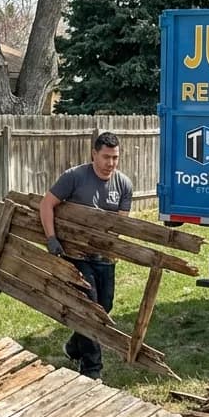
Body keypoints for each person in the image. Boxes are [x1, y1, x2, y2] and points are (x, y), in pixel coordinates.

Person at [39, 132, 133, 380]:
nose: (110, 163)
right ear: (94, 154)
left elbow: (120, 226)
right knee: (90, 308)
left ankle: (74, 347)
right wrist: (51, 238)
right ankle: (92, 369)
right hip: (76, 255)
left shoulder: (124, 185)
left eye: (115, 158)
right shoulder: (75, 177)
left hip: (104, 257)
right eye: (106, 157)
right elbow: (47, 204)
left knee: (105, 306)